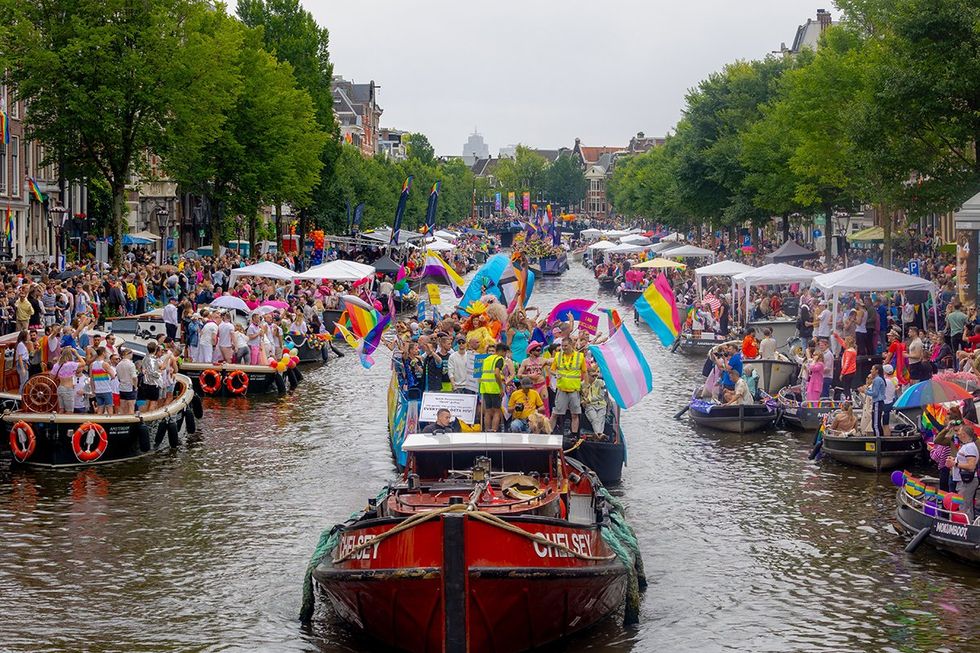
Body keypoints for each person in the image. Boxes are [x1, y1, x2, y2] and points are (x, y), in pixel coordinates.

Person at [550, 338, 588, 434]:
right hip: (562, 389)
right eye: (562, 346)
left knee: (575, 414)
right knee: (555, 413)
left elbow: (585, 372)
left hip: (574, 390)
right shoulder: (558, 356)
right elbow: (551, 370)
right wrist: (555, 374)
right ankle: (549, 433)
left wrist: (586, 387)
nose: (564, 348)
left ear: (571, 345)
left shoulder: (580, 356)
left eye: (566, 346)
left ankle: (574, 435)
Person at [946, 423, 979, 523]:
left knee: (964, 506)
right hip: (963, 481)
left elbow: (971, 466)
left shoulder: (969, 447)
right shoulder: (967, 446)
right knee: (966, 505)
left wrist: (954, 463)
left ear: (964, 434)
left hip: (967, 481)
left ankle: (967, 528)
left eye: (959, 434)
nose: (957, 435)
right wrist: (955, 459)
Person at [479, 343, 508, 432]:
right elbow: (496, 373)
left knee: (487, 411)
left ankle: (487, 430)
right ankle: (494, 430)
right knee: (497, 411)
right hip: (494, 388)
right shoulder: (499, 359)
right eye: (505, 352)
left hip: (485, 387)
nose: (505, 355)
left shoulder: (487, 359)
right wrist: (500, 388)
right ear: (502, 351)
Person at [89, 346, 116, 415]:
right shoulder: (105, 364)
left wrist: (93, 390)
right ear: (103, 353)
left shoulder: (92, 364)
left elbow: (91, 379)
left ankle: (98, 423)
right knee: (110, 408)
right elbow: (113, 375)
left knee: (100, 409)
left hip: (97, 390)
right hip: (106, 389)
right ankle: (110, 423)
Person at [582, 366, 608, 434]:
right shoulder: (582, 384)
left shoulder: (601, 382)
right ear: (587, 375)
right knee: (595, 420)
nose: (594, 378)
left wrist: (589, 399)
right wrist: (583, 402)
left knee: (601, 419)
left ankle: (599, 434)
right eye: (592, 376)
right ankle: (599, 434)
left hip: (601, 405)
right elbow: (580, 396)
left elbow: (601, 396)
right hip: (589, 406)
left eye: (596, 376)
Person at [862, 365, 886, 438]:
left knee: (875, 425)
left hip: (877, 403)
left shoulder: (877, 380)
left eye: (872, 369)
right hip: (878, 402)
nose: (871, 371)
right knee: (877, 424)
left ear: (877, 370)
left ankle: (878, 441)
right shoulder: (879, 379)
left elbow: (875, 393)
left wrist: (865, 391)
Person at [116, 347, 138, 415]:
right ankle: (130, 422)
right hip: (130, 387)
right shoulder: (131, 364)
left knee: (122, 406)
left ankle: (122, 421)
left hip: (122, 387)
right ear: (128, 354)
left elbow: (118, 377)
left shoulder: (118, 365)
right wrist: (136, 386)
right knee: (131, 406)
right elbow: (134, 377)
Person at [14, 330, 31, 394]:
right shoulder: (21, 345)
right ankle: (20, 396)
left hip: (24, 363)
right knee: (24, 382)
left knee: (25, 381)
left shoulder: (23, 344)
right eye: (28, 335)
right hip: (22, 364)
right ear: (25, 336)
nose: (29, 336)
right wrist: (23, 369)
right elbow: (20, 358)